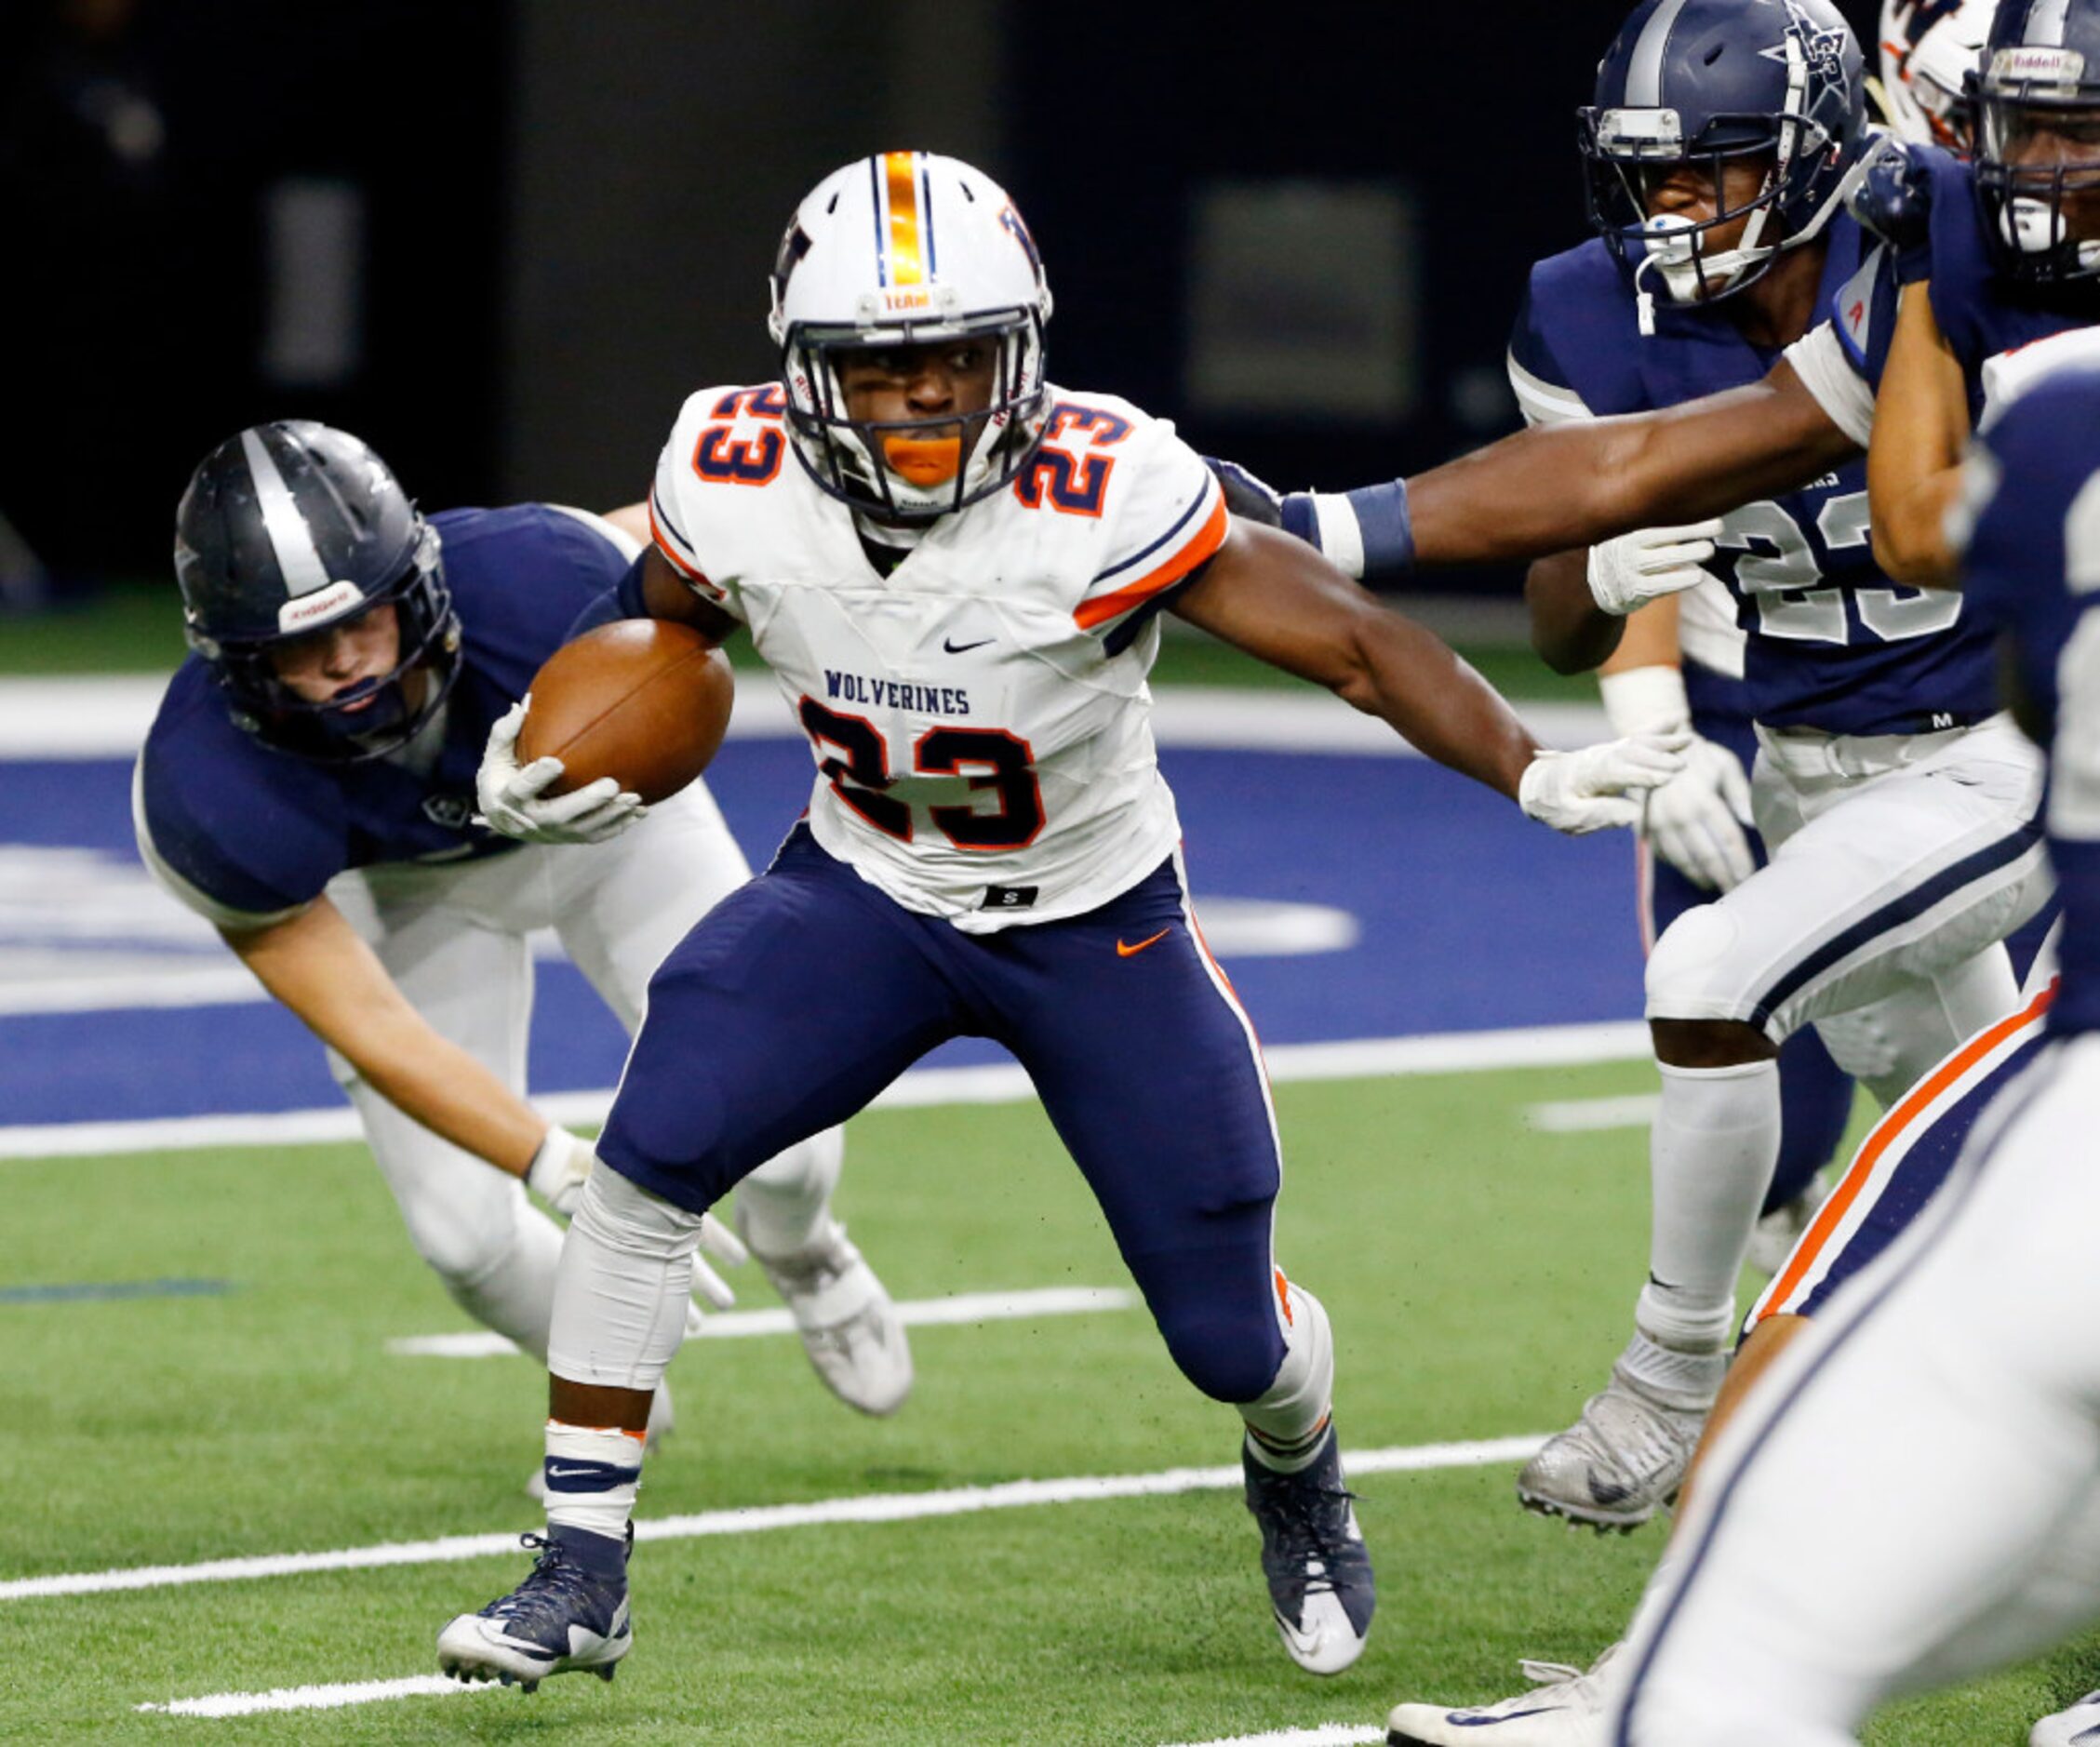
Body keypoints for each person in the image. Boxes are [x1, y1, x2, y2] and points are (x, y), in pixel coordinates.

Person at [431, 150, 1688, 1696]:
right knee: (643, 1158)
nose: (927, 405)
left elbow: (1352, 643)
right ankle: (581, 1567)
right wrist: (551, 741)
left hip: (1094, 918)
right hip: (864, 888)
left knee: (1229, 1334)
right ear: (806, 374)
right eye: (886, 373)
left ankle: (1295, 1464)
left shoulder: (1103, 488)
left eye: (960, 363)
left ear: (1019, 353)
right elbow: (657, 626)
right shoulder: (729, 466)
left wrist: (1526, 762)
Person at [135, 422, 915, 1488]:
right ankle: (607, 1382)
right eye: (294, 652)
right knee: (465, 1239)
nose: (343, 665)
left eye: (361, 619)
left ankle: (805, 1249)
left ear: (415, 583)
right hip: (411, 891)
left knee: (781, 1132)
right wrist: (553, 1159)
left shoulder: (541, 579)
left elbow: (712, 545)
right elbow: (369, 1023)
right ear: (234, 663)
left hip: (607, 828)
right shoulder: (211, 792)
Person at [1600, 355, 2100, 1747]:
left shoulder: (2060, 410)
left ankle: (1665, 1380)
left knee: (1736, 1633)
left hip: (2079, 1105)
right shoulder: (2054, 400)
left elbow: (1928, 563)